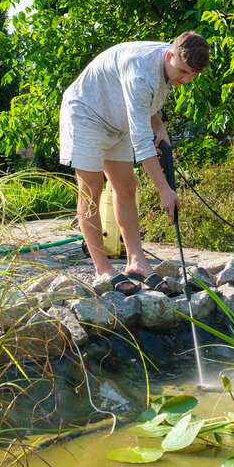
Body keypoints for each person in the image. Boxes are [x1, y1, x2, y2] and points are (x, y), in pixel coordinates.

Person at [59, 31, 210, 295]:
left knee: (126, 187)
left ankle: (136, 262)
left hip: (116, 119)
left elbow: (146, 105)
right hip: (85, 113)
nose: (184, 80)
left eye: (191, 76)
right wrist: (165, 190)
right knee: (92, 190)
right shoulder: (140, 71)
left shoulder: (170, 63)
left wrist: (160, 127)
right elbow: (141, 141)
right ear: (168, 55)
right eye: (182, 72)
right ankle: (103, 268)